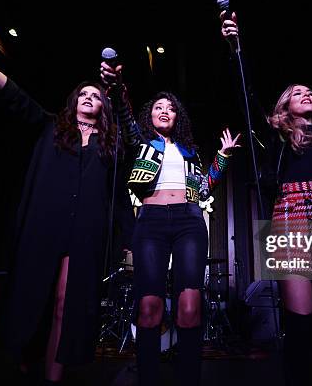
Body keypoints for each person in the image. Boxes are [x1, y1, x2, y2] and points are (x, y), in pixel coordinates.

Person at [0, 23, 135, 384]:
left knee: (65, 303)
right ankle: (24, 355)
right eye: (83, 94)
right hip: (45, 223)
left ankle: (54, 377)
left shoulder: (110, 146)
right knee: (32, 295)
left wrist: (116, 89)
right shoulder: (51, 127)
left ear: (103, 106)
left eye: (95, 95)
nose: (89, 97)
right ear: (73, 102)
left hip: (84, 230)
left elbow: (129, 151)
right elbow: (12, 92)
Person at [221, 12, 312, 386]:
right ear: (284, 107)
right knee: (300, 326)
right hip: (292, 223)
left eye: (309, 91)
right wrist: (237, 50)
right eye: (297, 92)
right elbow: (247, 99)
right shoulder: (277, 139)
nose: (306, 94)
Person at [100, 61, 239, 386]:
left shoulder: (190, 152)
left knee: (189, 306)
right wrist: (119, 89)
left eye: (171, 108)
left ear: (178, 118)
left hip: (189, 220)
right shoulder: (142, 144)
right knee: (149, 306)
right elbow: (124, 115)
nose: (165, 111)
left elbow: (204, 188)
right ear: (150, 115)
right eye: (159, 107)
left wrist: (223, 158)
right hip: (150, 222)